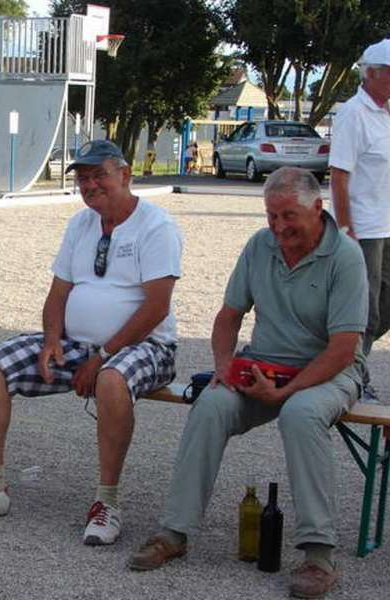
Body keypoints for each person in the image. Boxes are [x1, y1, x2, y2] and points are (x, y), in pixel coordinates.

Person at [129, 167, 367, 600]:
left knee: (301, 413)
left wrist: (285, 392)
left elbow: (343, 349)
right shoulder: (260, 246)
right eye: (271, 216)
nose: (278, 228)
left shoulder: (346, 257)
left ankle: (318, 554)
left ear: (318, 208)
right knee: (212, 405)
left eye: (288, 216)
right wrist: (223, 365)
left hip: (328, 370)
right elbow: (228, 317)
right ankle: (174, 532)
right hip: (264, 365)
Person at [0, 139, 183, 547]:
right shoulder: (79, 224)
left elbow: (156, 308)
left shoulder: (157, 226)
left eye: (98, 174)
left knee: (111, 380)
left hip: (145, 347)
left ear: (125, 174)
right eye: (82, 178)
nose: (89, 185)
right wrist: (51, 340)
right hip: (76, 344)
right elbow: (58, 294)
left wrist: (103, 356)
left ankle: (107, 503)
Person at [329, 39, 390, 367]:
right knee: (365, 307)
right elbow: (339, 176)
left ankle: (343, 355)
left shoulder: (385, 112)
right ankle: (352, 372)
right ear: (372, 73)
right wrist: (346, 229)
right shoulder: (354, 113)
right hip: (365, 227)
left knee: (383, 305)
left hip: (387, 224)